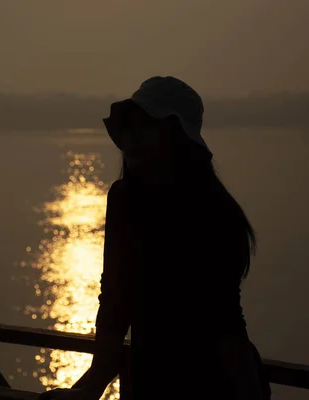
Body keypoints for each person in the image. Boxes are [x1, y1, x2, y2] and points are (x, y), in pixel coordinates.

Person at [39, 76, 271, 399]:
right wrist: (90, 389)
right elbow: (114, 306)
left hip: (213, 386)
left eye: (146, 126)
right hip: (147, 383)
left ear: (176, 137)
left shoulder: (214, 214)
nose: (131, 138)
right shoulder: (123, 200)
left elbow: (226, 327)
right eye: (129, 126)